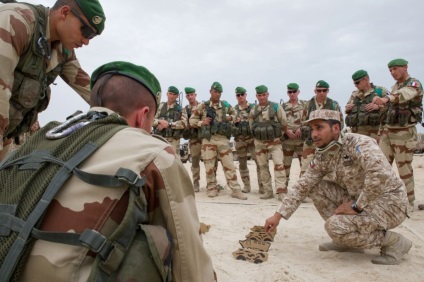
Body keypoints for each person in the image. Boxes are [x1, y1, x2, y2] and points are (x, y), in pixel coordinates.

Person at [14, 61, 215, 281]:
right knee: (158, 241)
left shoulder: (43, 139)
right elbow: (189, 263)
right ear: (143, 115)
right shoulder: (155, 154)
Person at [264, 109, 411, 265]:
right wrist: (278, 216)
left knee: (334, 226)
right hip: (361, 200)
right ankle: (346, 240)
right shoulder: (324, 153)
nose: (314, 134)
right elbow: (304, 185)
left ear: (335, 129)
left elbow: (379, 174)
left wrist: (357, 206)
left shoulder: (359, 143)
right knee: (315, 187)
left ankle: (393, 241)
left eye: (319, 127)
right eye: (312, 129)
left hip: (390, 204)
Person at [0, 0, 106, 161]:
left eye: (91, 36)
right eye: (85, 32)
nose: (86, 41)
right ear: (64, 12)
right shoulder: (17, 21)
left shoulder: (63, 50)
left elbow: (90, 90)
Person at [373, 58, 423, 208]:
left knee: (404, 168)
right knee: (381, 167)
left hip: (404, 132)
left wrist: (386, 98)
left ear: (405, 67)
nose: (392, 72)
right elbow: (388, 112)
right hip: (389, 132)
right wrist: (381, 132)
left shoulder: (413, 84)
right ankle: (383, 199)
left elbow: (404, 94)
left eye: (395, 69)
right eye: (390, 70)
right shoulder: (395, 87)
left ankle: (408, 202)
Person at [189, 82, 247, 200]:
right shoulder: (203, 106)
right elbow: (191, 121)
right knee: (209, 166)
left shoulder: (225, 105)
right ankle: (212, 188)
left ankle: (235, 190)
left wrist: (230, 118)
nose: (217, 94)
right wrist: (201, 122)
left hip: (222, 139)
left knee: (229, 165)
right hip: (208, 139)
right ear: (210, 91)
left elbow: (237, 116)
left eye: (219, 92)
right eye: (215, 92)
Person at [249, 85, 288, 200]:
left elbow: (284, 123)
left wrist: (278, 135)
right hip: (260, 143)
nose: (261, 97)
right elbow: (252, 126)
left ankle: (281, 191)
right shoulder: (253, 110)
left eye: (263, 95)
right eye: (259, 95)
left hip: (275, 142)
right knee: (263, 167)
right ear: (256, 96)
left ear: (267, 94)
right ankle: (268, 191)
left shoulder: (276, 107)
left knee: (279, 166)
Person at [300, 80, 343, 175]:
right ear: (315, 91)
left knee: (328, 172)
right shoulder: (308, 105)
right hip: (311, 142)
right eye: (319, 90)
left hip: (328, 144)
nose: (321, 93)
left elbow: (340, 124)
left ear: (328, 91)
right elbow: (303, 122)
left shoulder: (333, 105)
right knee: (306, 170)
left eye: (324, 90)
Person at [233, 86, 264, 194]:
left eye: (242, 94)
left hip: (252, 139)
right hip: (239, 140)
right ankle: (246, 186)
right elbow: (229, 124)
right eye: (238, 95)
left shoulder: (253, 107)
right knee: (242, 164)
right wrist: (234, 122)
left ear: (246, 95)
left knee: (259, 163)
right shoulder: (234, 110)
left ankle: (262, 186)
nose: (240, 97)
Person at [345, 70, 389, 141]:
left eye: (357, 83)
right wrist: (347, 109)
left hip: (374, 135)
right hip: (356, 136)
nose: (355, 85)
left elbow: (390, 106)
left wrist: (378, 107)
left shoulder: (380, 91)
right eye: (354, 83)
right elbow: (347, 109)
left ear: (366, 79)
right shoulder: (354, 94)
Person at [281, 83, 306, 188]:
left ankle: (302, 189)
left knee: (304, 166)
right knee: (285, 166)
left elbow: (309, 119)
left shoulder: (305, 105)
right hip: (288, 141)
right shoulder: (283, 107)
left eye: (294, 92)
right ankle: (284, 188)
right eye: (289, 92)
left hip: (301, 140)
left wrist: (302, 127)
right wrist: (286, 131)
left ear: (298, 92)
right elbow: (279, 121)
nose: (292, 94)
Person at [153, 86, 187, 155]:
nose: (172, 96)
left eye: (174, 94)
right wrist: (159, 122)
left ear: (177, 96)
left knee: (173, 161)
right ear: (167, 94)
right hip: (159, 139)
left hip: (174, 141)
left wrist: (169, 124)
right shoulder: (160, 106)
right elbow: (150, 120)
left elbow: (184, 123)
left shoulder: (180, 109)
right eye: (170, 93)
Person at [182, 86, 202, 192]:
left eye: (192, 95)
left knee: (211, 161)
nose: (190, 97)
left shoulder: (202, 106)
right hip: (194, 139)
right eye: (188, 95)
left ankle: (212, 183)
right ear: (186, 97)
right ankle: (196, 182)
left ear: (195, 95)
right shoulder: (186, 109)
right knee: (195, 161)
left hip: (205, 138)